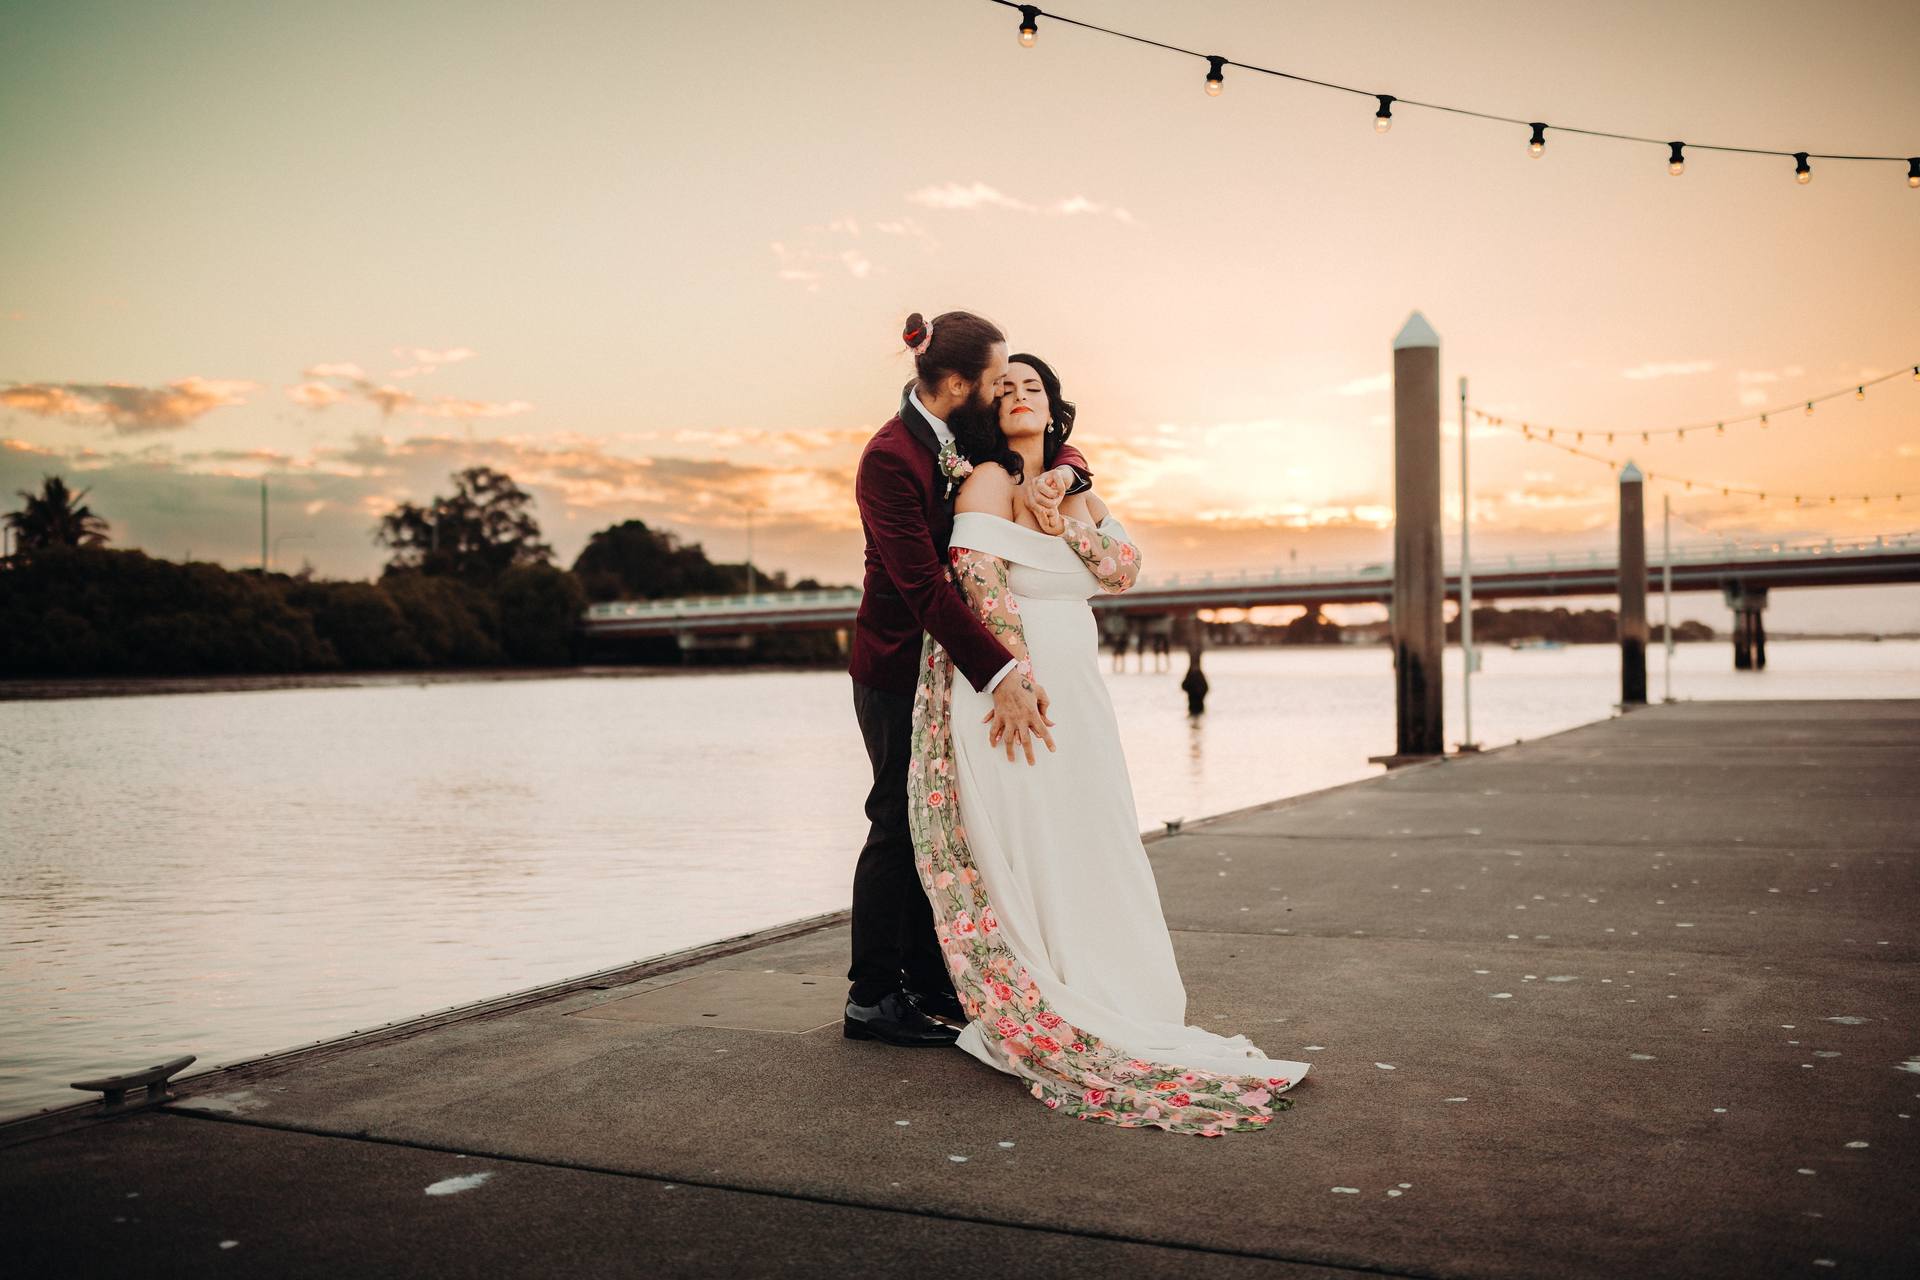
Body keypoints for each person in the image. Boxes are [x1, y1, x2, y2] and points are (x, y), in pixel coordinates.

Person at [906, 353, 1311, 1135]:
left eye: (1035, 386)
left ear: (1054, 407)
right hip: (1013, 698)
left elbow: (1122, 570)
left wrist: (1069, 510)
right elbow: (982, 588)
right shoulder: (985, 481)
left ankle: (1117, 989)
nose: (1021, 394)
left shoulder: (1075, 481)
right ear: (991, 410)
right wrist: (1013, 683)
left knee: (1093, 835)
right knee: (1033, 841)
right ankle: (1050, 985)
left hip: (1079, 699)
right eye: (1007, 387)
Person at [844, 311, 1094, 1047]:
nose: (1002, 391)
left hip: (949, 669)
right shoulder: (890, 459)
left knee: (944, 822)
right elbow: (925, 588)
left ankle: (931, 981)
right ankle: (871, 996)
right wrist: (1005, 674)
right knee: (895, 817)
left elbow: (1049, 432)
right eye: (994, 379)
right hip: (895, 667)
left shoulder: (963, 432)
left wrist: (1072, 473)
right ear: (958, 383)